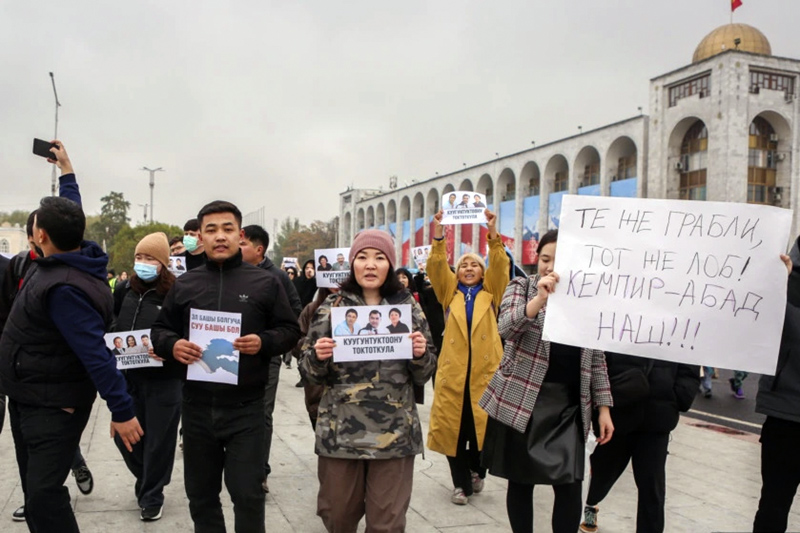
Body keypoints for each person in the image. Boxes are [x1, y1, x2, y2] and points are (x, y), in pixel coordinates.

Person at [0, 140, 143, 532]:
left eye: (33, 229)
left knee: (43, 498)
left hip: (52, 405)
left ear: (41, 236)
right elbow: (72, 212)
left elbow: (96, 353)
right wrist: (67, 170)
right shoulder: (73, 255)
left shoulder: (64, 287)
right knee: (35, 493)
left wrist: (123, 408)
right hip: (31, 394)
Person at [151, 200, 301, 533]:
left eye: (227, 229)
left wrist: (263, 342)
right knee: (201, 497)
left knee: (248, 495)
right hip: (196, 409)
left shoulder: (264, 283)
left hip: (246, 410)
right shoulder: (185, 284)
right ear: (200, 238)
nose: (220, 236)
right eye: (211, 230)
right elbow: (160, 330)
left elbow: (291, 330)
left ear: (240, 234)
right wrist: (173, 345)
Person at [300, 228, 436, 532]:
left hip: (394, 435)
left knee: (386, 524)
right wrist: (318, 356)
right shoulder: (331, 308)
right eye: (362, 257)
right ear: (352, 264)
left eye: (379, 257)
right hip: (340, 434)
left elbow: (425, 372)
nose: (371, 264)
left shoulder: (407, 308)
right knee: (337, 517)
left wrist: (419, 353)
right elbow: (307, 371)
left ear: (390, 264)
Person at [479, 229, 614, 533]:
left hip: (568, 406)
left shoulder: (587, 299)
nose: (550, 266)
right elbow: (506, 327)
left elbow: (597, 357)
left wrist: (603, 407)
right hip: (522, 402)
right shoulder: (521, 286)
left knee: (570, 484)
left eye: (558, 259)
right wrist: (540, 298)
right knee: (521, 481)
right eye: (544, 258)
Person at [426, 207, 510, 505]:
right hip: (454, 373)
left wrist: (493, 234)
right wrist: (438, 234)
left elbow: (501, 265)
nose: (469, 268)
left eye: (475, 265)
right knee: (453, 429)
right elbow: (436, 266)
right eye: (464, 265)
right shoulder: (449, 293)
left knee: (483, 429)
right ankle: (460, 485)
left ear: (482, 272)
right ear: (457, 272)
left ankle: (478, 470)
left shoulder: (493, 292)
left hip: (485, 374)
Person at [579, 353, 699, 533]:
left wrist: (679, 396)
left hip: (658, 418)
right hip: (618, 413)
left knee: (652, 488)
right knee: (602, 474)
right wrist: (603, 404)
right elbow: (602, 357)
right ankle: (591, 504)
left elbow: (691, 362)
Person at [110, 232, 182, 522]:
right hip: (129, 377)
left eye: (150, 258)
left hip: (165, 379)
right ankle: (147, 478)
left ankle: (152, 495)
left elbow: (186, 333)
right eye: (139, 257)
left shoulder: (176, 293)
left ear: (163, 263)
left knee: (159, 441)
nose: (143, 263)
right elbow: (113, 321)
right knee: (125, 436)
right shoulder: (125, 290)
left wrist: (168, 347)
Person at [241, 224, 303, 494]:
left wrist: (268, 339)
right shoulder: (231, 273)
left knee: (262, 413)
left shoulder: (277, 277)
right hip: (232, 354)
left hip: (267, 356)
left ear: (259, 249)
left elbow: (295, 315)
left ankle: (259, 471)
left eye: (243, 243)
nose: (236, 245)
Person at [752, 246, 799, 532]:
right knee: (774, 504)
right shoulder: (784, 283)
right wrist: (774, 285)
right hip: (786, 417)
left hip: (784, 415)